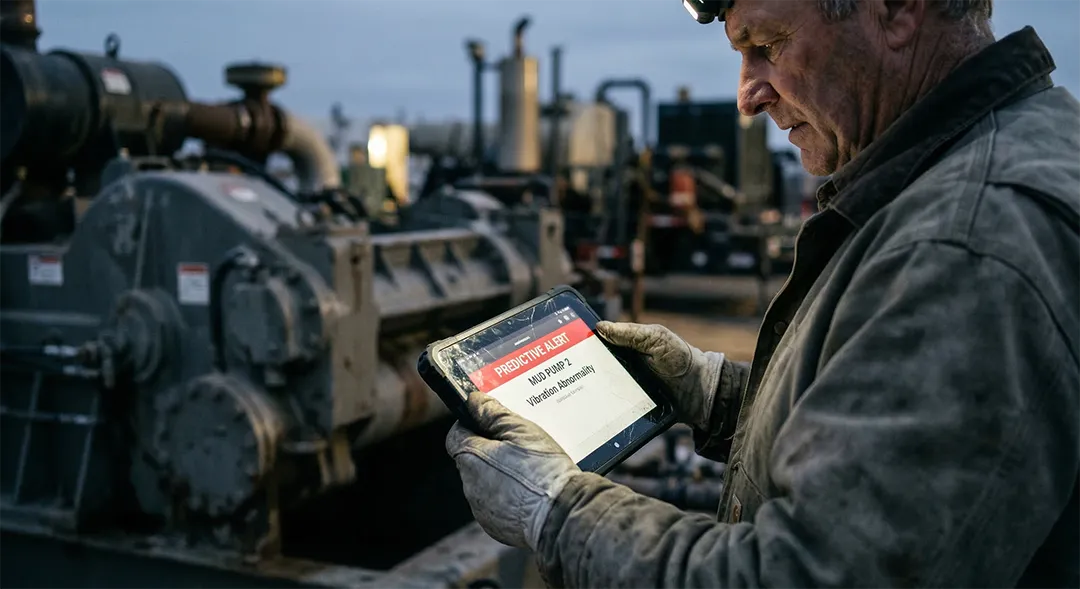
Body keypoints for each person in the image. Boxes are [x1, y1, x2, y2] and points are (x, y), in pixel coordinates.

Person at [445, 0, 1080, 586]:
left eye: (768, 44)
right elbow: (884, 449)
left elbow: (803, 575)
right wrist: (717, 398)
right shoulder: (986, 163)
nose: (747, 96)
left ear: (894, 8)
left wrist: (559, 515)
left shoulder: (966, 245)